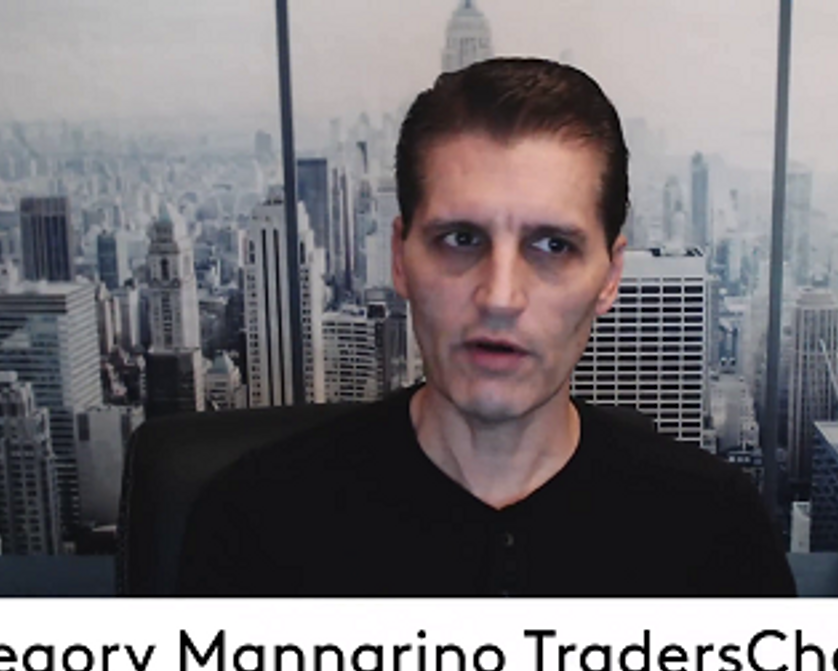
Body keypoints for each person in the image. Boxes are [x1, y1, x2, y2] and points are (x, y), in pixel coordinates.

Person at [177, 57, 795, 596]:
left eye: (553, 245)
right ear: (399, 260)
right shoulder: (256, 523)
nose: (500, 297)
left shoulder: (716, 533)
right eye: (461, 239)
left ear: (610, 277)